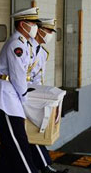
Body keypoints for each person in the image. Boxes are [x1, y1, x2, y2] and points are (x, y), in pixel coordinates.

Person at [0, 7, 40, 173]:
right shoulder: (16, 44)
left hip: (11, 97)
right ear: (22, 24)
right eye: (32, 23)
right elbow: (18, 75)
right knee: (19, 146)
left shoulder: (22, 43)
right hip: (6, 99)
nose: (35, 27)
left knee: (9, 145)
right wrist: (24, 98)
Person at [27, 18, 68, 173]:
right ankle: (45, 167)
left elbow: (38, 78)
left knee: (35, 132)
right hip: (23, 95)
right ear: (39, 30)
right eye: (48, 31)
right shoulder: (27, 47)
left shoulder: (43, 52)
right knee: (34, 131)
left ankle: (44, 167)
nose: (50, 35)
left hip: (34, 96)